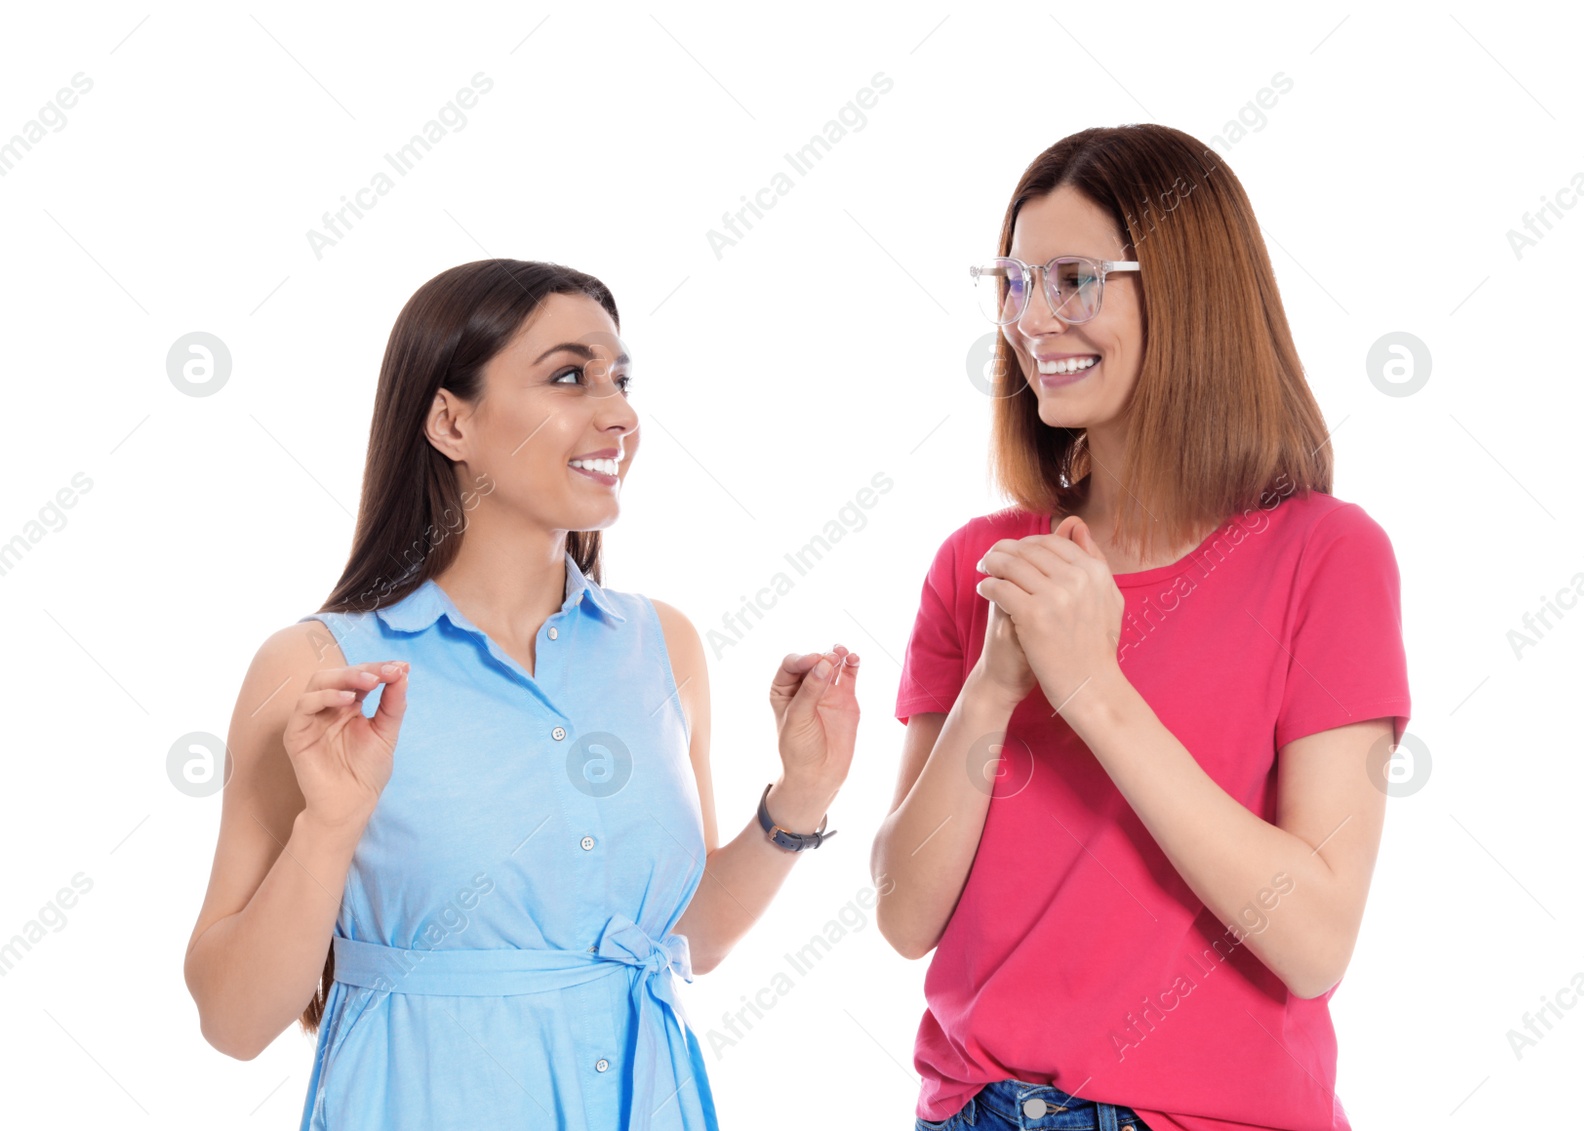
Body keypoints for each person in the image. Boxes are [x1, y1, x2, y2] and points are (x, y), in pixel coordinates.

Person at [182, 259, 861, 1130]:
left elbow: (678, 937)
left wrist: (802, 793)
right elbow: (234, 1023)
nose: (618, 414)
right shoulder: (318, 670)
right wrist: (329, 827)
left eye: (621, 379)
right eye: (570, 376)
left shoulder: (663, 647)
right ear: (451, 420)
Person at [871, 124, 1410, 1131]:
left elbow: (1313, 938)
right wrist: (994, 687)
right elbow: (905, 915)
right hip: (975, 1113)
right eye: (1014, 283)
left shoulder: (1325, 558)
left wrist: (1092, 690)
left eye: (1074, 279)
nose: (1033, 319)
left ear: (1187, 289)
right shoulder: (981, 564)